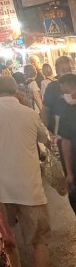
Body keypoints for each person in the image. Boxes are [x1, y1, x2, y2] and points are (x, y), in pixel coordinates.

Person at [0, 75, 50, 267]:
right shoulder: (30, 113)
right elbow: (45, 138)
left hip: (1, 187)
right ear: (16, 91)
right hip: (30, 187)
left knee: (6, 238)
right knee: (40, 240)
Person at [57, 71, 76, 215]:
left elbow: (66, 142)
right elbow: (66, 142)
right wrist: (69, 172)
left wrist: (69, 172)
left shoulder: (68, 110)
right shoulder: (68, 110)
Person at [42, 54, 74, 132]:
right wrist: (48, 131)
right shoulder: (52, 87)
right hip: (59, 131)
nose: (67, 73)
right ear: (57, 70)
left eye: (69, 69)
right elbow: (45, 111)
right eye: (63, 70)